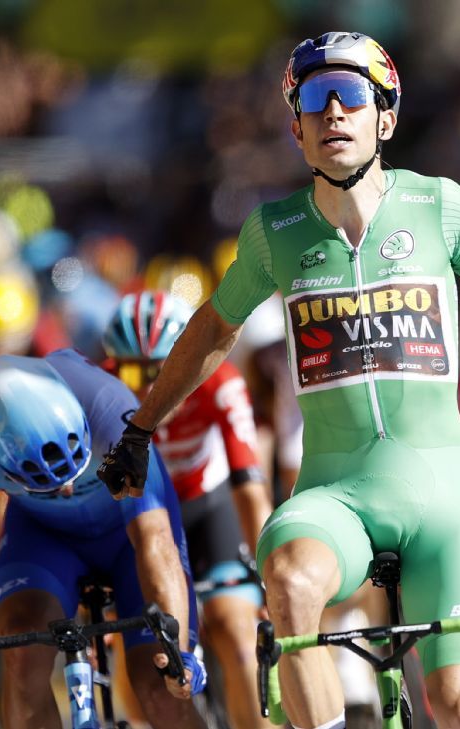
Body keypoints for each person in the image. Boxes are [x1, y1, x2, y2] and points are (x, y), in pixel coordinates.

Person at [98, 31, 460, 729]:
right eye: (312, 101)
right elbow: (212, 329)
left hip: (441, 504)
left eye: (349, 96)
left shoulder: (440, 206)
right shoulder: (275, 231)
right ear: (295, 128)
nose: (332, 114)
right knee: (288, 582)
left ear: (386, 116)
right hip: (333, 497)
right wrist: (142, 424)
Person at [0, 350, 207, 729]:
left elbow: (154, 539)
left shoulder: (110, 407)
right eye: (46, 483)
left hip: (130, 534)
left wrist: (178, 651)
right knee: (23, 655)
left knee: (161, 685)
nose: (69, 489)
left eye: (76, 468)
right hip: (44, 537)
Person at [102, 290, 275, 729]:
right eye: (130, 371)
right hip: (145, 517)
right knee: (140, 651)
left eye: (158, 371)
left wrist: (271, 578)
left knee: (236, 632)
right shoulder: (101, 389)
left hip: (209, 509)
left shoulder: (220, 381)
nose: (143, 387)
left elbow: (250, 493)